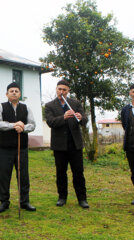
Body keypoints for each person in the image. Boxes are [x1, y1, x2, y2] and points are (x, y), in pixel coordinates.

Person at [45, 80, 89, 209]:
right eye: (59, 89)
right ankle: (62, 197)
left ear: (68, 90)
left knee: (78, 173)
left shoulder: (75, 103)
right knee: (61, 173)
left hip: (75, 144)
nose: (61, 92)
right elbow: (51, 122)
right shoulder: (50, 105)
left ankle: (82, 199)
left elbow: (85, 119)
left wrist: (81, 118)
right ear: (56, 89)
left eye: (64, 89)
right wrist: (63, 117)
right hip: (59, 146)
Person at [0, 82, 36, 213]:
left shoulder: (26, 108)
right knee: (5, 175)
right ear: (7, 94)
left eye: (16, 91)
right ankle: (4, 202)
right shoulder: (0, 107)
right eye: (11, 91)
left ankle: (24, 201)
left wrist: (22, 127)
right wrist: (13, 125)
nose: (14, 93)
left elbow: (32, 125)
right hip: (5, 148)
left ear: (20, 94)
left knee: (23, 175)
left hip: (21, 148)